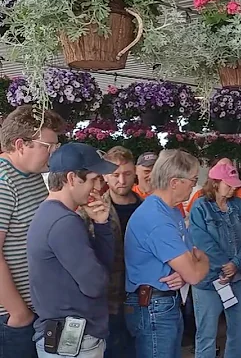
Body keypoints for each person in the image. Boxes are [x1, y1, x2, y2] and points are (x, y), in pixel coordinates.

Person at [28, 142, 118, 358]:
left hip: (69, 338)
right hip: (74, 341)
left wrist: (102, 225)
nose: (98, 187)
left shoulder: (53, 214)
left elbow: (99, 271)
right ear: (71, 178)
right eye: (93, 179)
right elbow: (96, 284)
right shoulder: (64, 222)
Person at [124, 149, 210, 358]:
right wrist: (203, 261)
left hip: (164, 302)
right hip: (154, 307)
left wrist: (189, 266)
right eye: (193, 179)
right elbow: (195, 273)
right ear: (174, 182)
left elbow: (190, 255)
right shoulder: (157, 219)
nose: (194, 185)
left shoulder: (170, 210)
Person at [0, 105, 65, 357]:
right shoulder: (4, 183)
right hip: (13, 316)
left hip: (38, 307)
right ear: (20, 144)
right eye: (47, 146)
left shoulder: (31, 174)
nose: (53, 152)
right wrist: (18, 312)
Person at [78, 146, 143, 358]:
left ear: (135, 173)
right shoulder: (92, 209)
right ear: (106, 176)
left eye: (127, 174)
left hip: (143, 298)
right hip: (108, 300)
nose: (121, 181)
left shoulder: (147, 209)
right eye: (115, 175)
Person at [189, 163, 241, 358]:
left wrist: (237, 263)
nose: (234, 188)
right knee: (207, 333)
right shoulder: (200, 206)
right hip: (209, 279)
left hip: (236, 275)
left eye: (235, 184)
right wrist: (226, 266)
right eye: (229, 184)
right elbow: (201, 240)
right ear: (215, 183)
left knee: (240, 330)